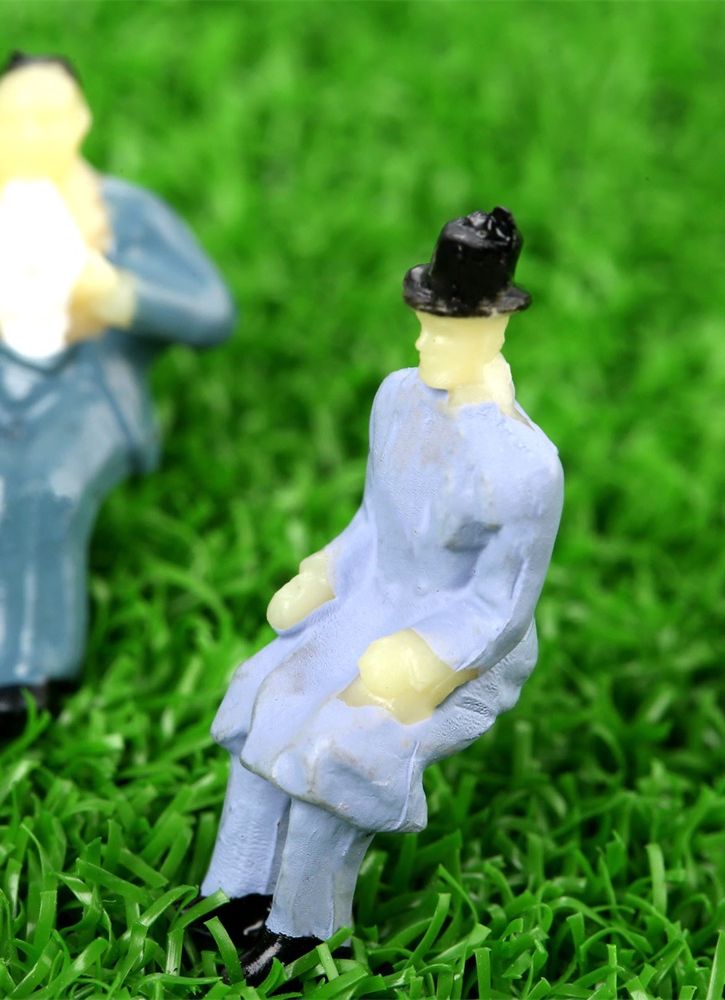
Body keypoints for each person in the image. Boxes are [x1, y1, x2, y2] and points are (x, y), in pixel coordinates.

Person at [199, 209, 563, 983]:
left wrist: (423, 661)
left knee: (339, 745)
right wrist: (322, 574)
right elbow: (372, 523)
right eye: (426, 326)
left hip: (457, 647)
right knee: (265, 695)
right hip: (369, 599)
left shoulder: (525, 468)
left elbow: (500, 609)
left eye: (448, 333)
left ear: (496, 330)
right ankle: (236, 892)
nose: (427, 345)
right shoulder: (398, 400)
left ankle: (306, 930)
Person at [0, 54, 234, 723]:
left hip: (81, 389)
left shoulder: (125, 214)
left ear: (81, 122)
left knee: (44, 488)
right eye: (13, 118)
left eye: (49, 117)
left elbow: (211, 311)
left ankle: (32, 669)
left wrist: (114, 292)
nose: (30, 133)